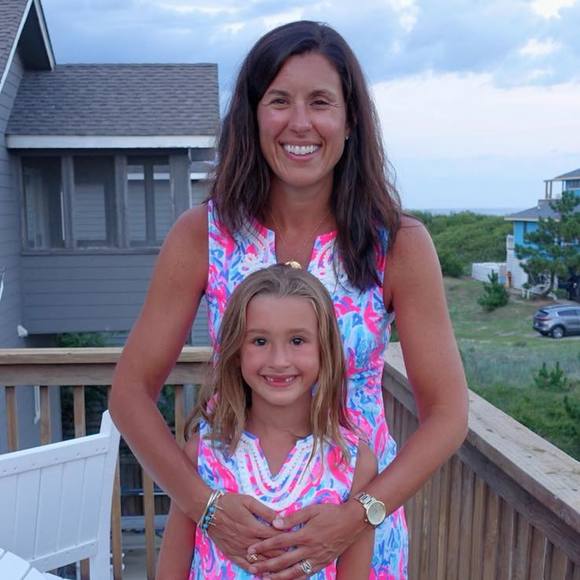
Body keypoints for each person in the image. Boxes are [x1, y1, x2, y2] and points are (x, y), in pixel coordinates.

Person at [110, 20, 469, 579]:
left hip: (359, 535)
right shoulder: (202, 235)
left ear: (350, 120)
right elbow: (129, 393)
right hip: (229, 542)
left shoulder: (397, 245)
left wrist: (356, 516)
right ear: (253, 117)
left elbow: (447, 415)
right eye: (279, 101)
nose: (300, 122)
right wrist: (206, 507)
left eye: (320, 102)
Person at [156, 264, 377, 579]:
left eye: (297, 341)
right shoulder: (202, 454)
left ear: (324, 350)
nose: (279, 360)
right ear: (236, 352)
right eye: (259, 341)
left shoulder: (354, 463)